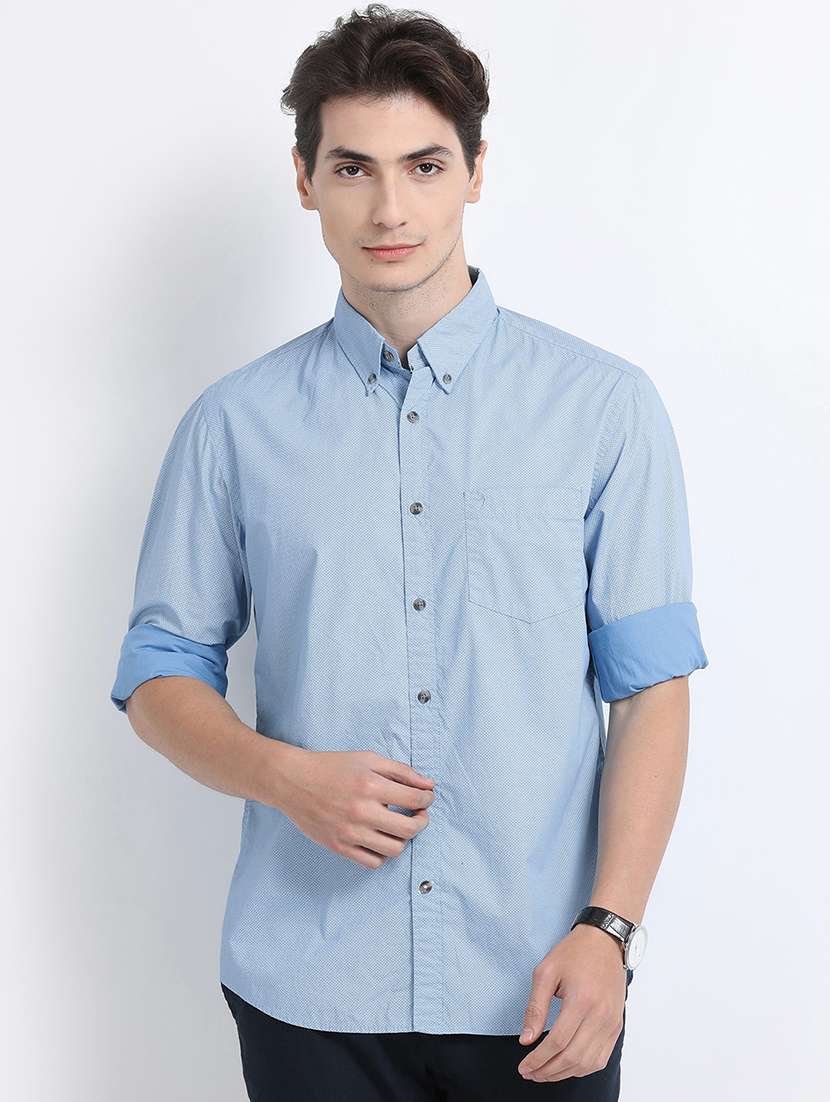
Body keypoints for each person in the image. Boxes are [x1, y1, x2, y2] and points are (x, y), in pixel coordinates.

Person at [110, 4, 709, 1099]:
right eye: (353, 168)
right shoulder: (233, 425)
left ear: (475, 172)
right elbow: (157, 675)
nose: (389, 209)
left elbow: (651, 692)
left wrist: (610, 930)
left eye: (424, 166)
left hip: (543, 982)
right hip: (308, 988)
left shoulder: (603, 410)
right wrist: (286, 778)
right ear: (305, 179)